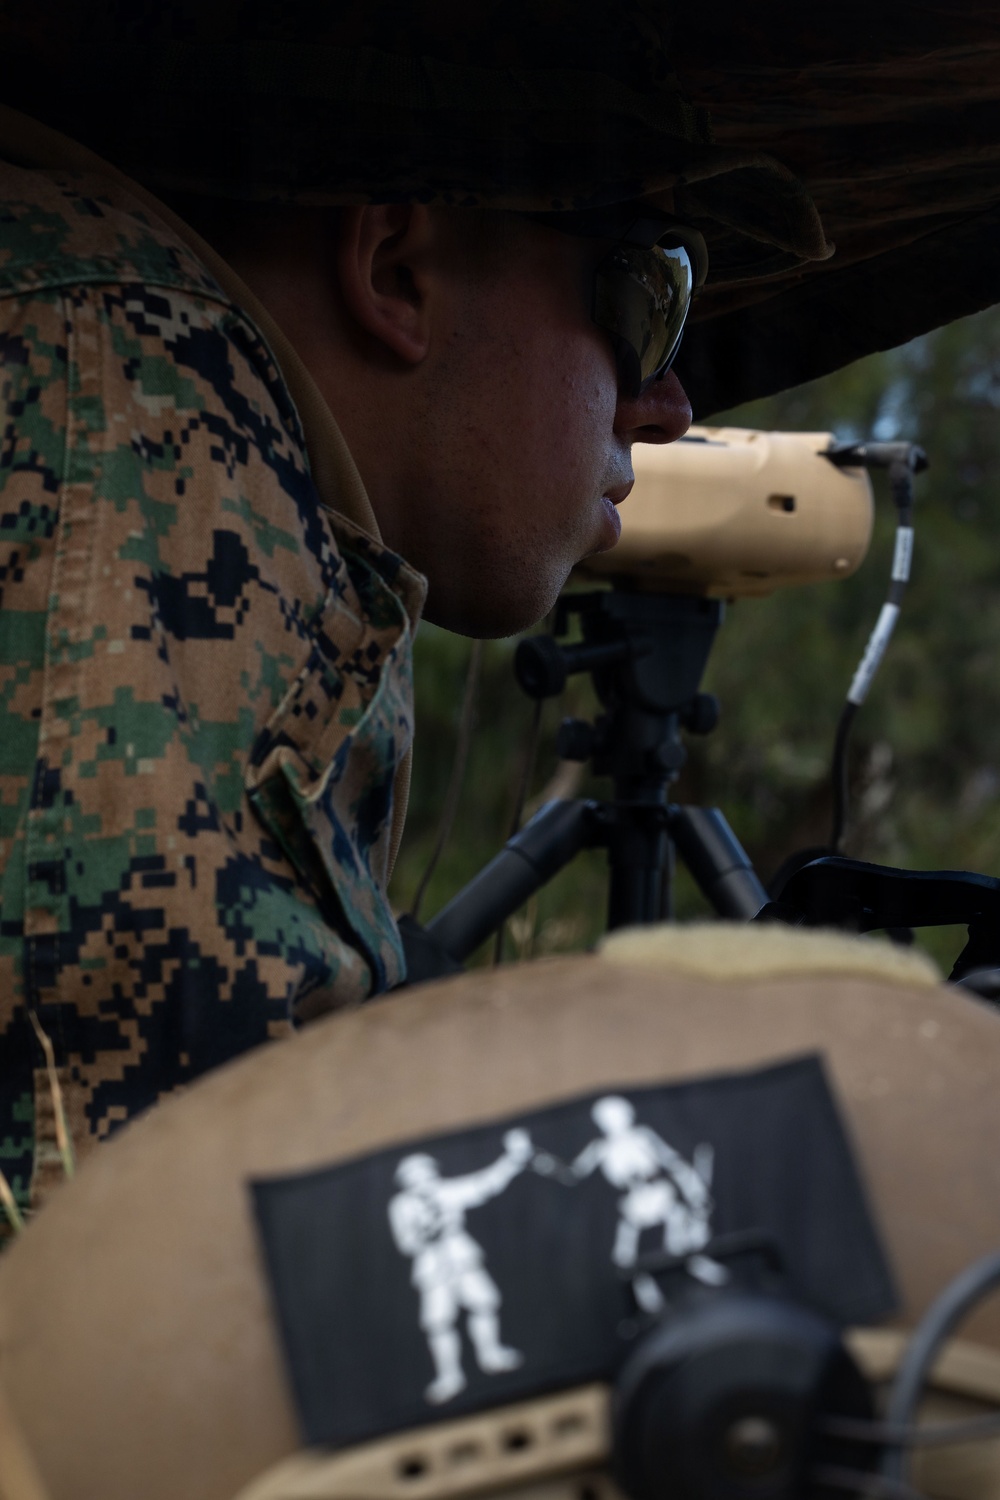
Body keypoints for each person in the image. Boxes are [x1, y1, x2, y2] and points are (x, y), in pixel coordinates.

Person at [0, 2, 833, 1224]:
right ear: (397, 271)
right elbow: (127, 1263)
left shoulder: (162, 391)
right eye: (645, 297)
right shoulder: (133, 393)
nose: (665, 402)